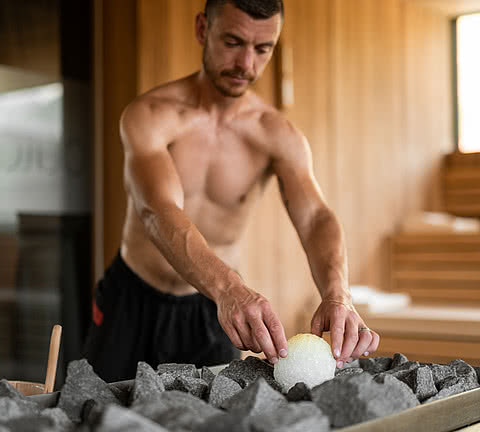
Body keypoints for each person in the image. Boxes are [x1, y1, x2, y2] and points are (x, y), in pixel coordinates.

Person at [84, 0, 380, 383]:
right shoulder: (152, 115)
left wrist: (338, 293)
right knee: (94, 414)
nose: (247, 64)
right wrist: (229, 289)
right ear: (202, 30)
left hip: (214, 311)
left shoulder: (276, 134)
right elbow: (156, 211)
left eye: (263, 49)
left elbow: (315, 217)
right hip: (135, 297)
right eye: (233, 42)